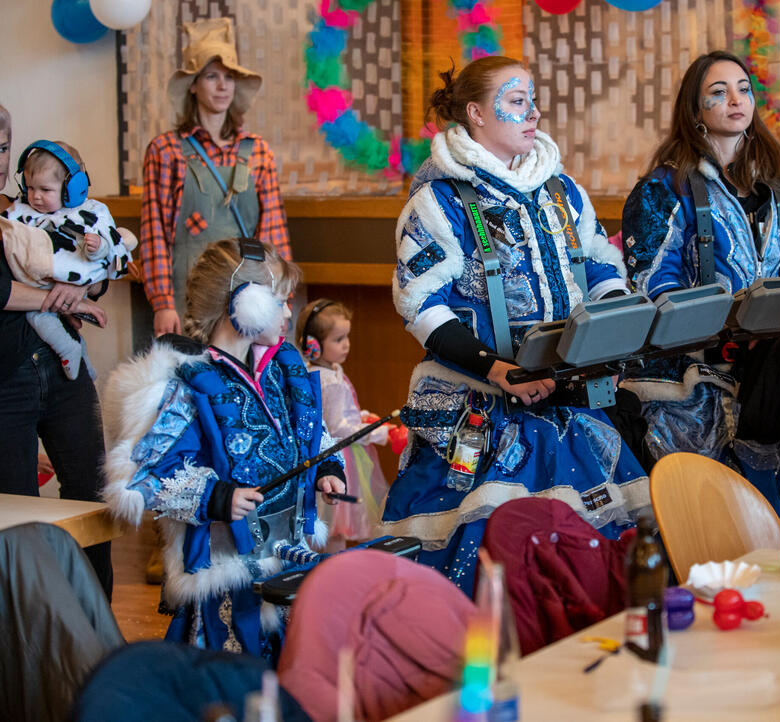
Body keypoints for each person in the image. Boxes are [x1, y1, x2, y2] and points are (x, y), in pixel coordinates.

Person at [381, 56, 649, 594]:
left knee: (599, 544)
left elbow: (598, 262)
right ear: (477, 113)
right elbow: (422, 304)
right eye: (518, 101)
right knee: (496, 553)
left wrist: (614, 318)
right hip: (484, 407)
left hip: (571, 394)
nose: (534, 112)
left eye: (532, 98)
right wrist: (497, 368)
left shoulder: (560, 189)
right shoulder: (439, 199)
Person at [621, 51, 780, 516]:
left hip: (779, 368)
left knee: (779, 514)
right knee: (707, 519)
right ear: (695, 112)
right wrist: (728, 319)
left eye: (743, 89)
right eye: (718, 93)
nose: (735, 100)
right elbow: (652, 284)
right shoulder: (663, 190)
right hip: (695, 376)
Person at [102, 238, 345, 658]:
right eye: (280, 300)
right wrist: (215, 496)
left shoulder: (283, 367)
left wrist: (328, 468)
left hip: (287, 558)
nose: (289, 312)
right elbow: (144, 478)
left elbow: (311, 432)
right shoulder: (185, 382)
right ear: (245, 304)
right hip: (228, 573)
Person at [0, 102, 113, 599]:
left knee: (93, 495)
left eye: (3, 147)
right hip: (5, 378)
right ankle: (32, 636)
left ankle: (96, 628)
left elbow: (91, 271)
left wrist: (87, 283)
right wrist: (53, 296)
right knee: (18, 514)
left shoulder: (27, 208)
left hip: (61, 372)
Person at [139, 16, 290, 342]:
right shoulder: (166, 150)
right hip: (189, 295)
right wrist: (163, 303)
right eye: (211, 76)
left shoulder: (258, 151)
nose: (223, 86)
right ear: (193, 84)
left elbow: (272, 236)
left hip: (247, 293)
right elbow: (155, 235)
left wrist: (278, 298)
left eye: (229, 77)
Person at [2, 140, 136, 379]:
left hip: (65, 291)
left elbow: (103, 263)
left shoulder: (85, 213)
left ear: (73, 189)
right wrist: (60, 297)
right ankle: (73, 352)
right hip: (32, 322)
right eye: (31, 188)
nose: (36, 197)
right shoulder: (18, 214)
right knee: (44, 321)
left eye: (45, 190)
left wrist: (86, 273)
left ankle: (80, 358)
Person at [296, 298, 392, 549]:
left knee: (334, 522)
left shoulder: (330, 370)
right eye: (338, 339)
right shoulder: (329, 380)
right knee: (336, 524)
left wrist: (363, 416)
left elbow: (341, 412)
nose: (346, 345)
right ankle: (331, 567)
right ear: (312, 345)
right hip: (341, 456)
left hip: (342, 450)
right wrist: (379, 434)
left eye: (347, 337)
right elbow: (339, 428)